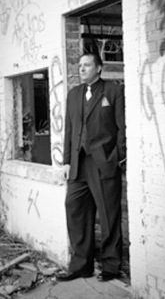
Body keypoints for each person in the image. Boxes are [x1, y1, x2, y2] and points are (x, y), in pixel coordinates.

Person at [58, 53, 126, 282]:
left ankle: (111, 266)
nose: (81, 69)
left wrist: (118, 157)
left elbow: (122, 127)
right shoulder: (73, 95)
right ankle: (81, 266)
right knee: (74, 209)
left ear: (98, 68)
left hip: (103, 162)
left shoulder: (114, 91)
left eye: (86, 65)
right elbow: (69, 130)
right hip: (78, 164)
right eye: (80, 65)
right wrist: (67, 161)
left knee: (108, 215)